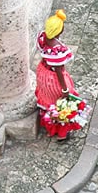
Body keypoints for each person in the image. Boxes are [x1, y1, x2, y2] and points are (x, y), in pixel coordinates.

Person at [36, 9, 82, 139]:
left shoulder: (43, 37)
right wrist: (65, 89)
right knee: (60, 104)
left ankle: (49, 124)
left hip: (42, 72)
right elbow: (59, 72)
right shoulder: (58, 51)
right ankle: (61, 133)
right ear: (59, 30)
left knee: (47, 98)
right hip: (53, 78)